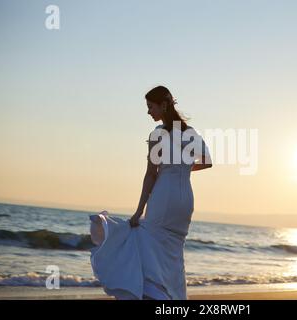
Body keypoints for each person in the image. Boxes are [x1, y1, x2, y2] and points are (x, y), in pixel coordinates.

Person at [89, 85, 212, 300]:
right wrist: (182, 166)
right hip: (185, 202)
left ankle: (153, 294)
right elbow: (208, 162)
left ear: (163, 105)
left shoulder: (158, 134)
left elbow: (150, 175)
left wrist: (138, 211)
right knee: (172, 253)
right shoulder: (190, 133)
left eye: (151, 107)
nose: (149, 112)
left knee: (147, 241)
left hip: (164, 196)